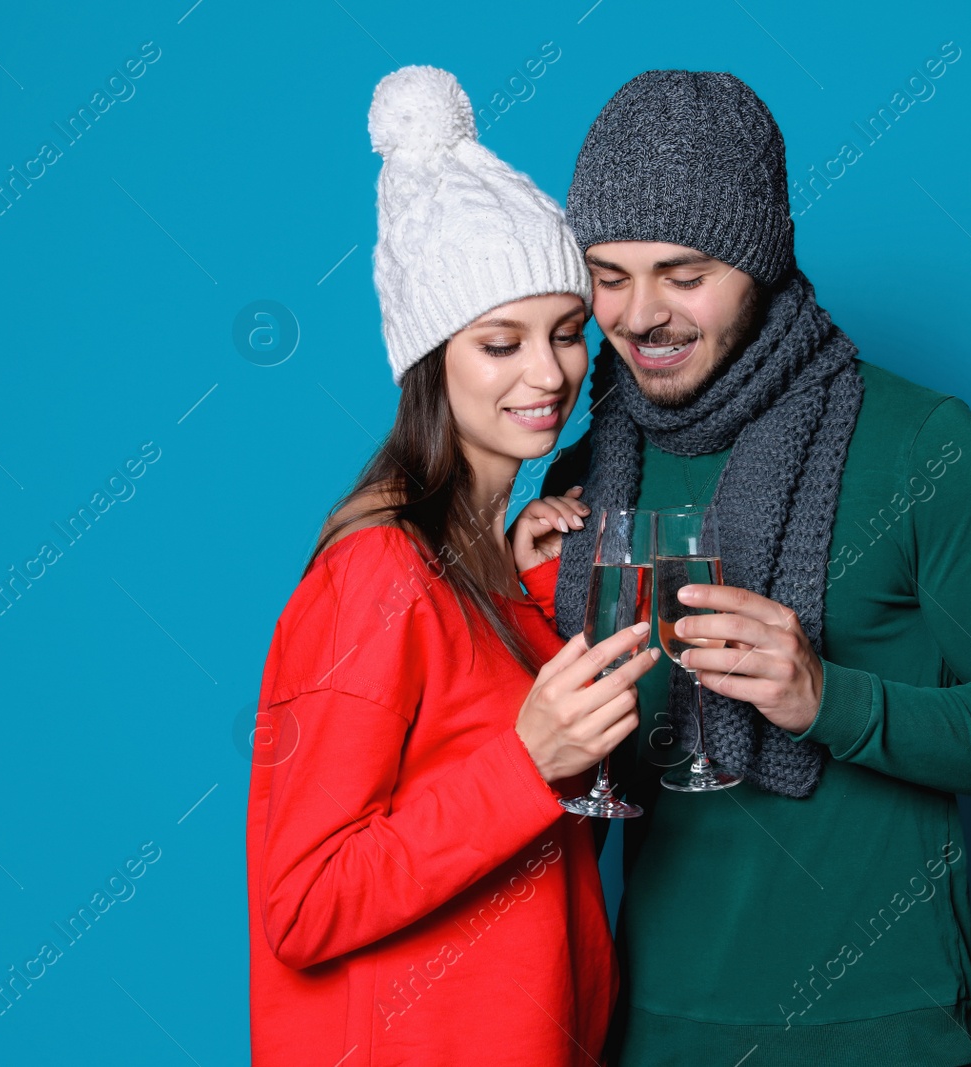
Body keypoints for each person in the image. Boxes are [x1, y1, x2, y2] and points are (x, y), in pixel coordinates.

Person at [529, 71, 971, 1065]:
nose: (638, 315)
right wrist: (500, 588)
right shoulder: (590, 467)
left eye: (683, 271)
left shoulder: (923, 445)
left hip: (880, 1031)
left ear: (761, 261)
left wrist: (827, 698)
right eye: (608, 273)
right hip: (652, 1027)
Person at [245, 65, 659, 1067]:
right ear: (432, 358)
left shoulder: (484, 563)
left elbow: (540, 856)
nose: (548, 372)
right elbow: (302, 903)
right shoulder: (376, 575)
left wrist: (535, 599)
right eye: (500, 342)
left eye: (567, 334)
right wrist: (526, 761)